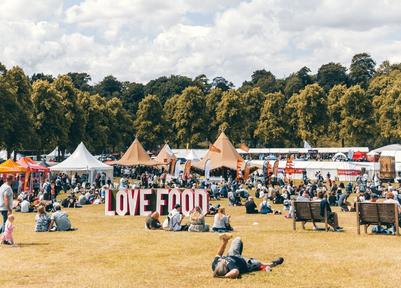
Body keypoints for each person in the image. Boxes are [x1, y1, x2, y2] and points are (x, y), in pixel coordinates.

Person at [211, 234, 284, 278]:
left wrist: (225, 242)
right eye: (225, 263)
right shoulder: (231, 266)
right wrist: (223, 277)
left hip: (232, 254)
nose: (224, 260)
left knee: (237, 239)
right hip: (246, 263)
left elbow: (219, 254)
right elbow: (235, 272)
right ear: (227, 269)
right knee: (260, 263)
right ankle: (274, 263)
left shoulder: (215, 263)